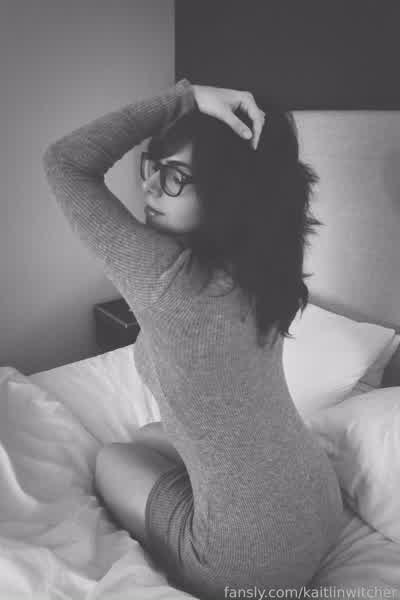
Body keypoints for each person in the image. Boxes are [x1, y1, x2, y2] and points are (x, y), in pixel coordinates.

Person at [42, 78, 345, 599]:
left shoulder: (167, 276)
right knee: (149, 433)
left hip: (249, 567)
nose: (150, 188)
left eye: (175, 176)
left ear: (230, 192)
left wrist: (184, 98)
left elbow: (65, 162)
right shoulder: (267, 265)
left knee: (112, 457)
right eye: (152, 167)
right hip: (321, 504)